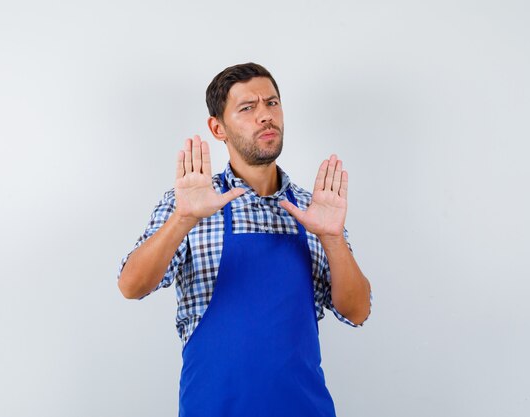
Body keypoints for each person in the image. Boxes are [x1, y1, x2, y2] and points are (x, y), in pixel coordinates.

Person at [118, 62, 372, 417]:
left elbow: (357, 311)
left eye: (272, 103)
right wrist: (184, 218)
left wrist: (332, 237)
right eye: (247, 108)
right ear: (217, 128)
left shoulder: (314, 212)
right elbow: (132, 285)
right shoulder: (191, 205)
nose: (265, 116)